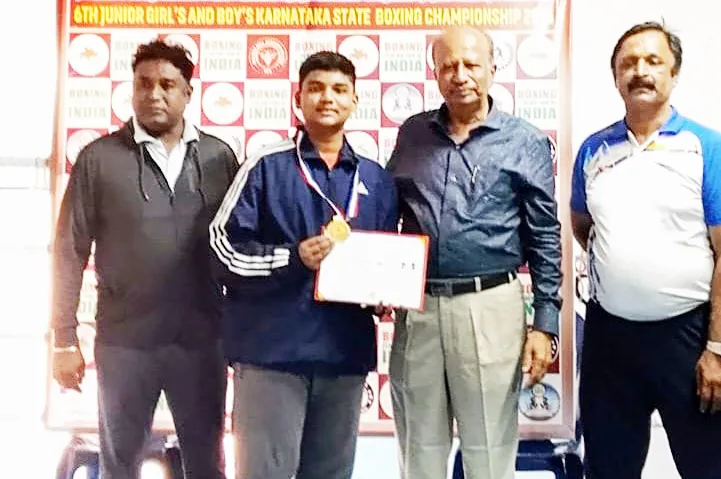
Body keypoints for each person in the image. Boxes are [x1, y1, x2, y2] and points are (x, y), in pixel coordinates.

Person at [51, 39, 239, 479]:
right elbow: (68, 251)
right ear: (132, 89)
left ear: (188, 93)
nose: (154, 94)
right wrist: (63, 339)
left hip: (201, 341)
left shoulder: (219, 157)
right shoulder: (98, 159)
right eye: (144, 84)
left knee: (207, 465)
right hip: (124, 344)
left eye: (167, 85)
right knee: (119, 466)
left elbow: (240, 248)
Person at [209, 51, 398, 479]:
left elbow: (384, 258)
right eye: (315, 88)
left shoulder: (376, 179)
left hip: (344, 356)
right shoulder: (266, 166)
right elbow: (222, 249)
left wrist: (383, 295)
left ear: (354, 101)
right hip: (272, 356)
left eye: (339, 90)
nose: (327, 98)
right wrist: (292, 259)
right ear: (298, 99)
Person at [387, 25, 562, 479]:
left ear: (492, 68)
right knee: (418, 449)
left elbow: (544, 234)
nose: (460, 75)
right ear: (435, 72)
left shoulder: (524, 140)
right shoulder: (413, 133)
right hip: (419, 308)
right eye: (448, 66)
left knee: (488, 450)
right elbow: (388, 211)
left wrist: (545, 324)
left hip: (490, 306)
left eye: (470, 64)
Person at [571, 21, 721, 479]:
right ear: (616, 77)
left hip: (687, 338)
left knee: (706, 466)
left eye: (653, 61)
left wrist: (717, 347)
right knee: (608, 468)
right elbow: (583, 227)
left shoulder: (706, 147)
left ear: (674, 73)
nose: (640, 71)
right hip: (610, 340)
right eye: (628, 63)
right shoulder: (592, 150)